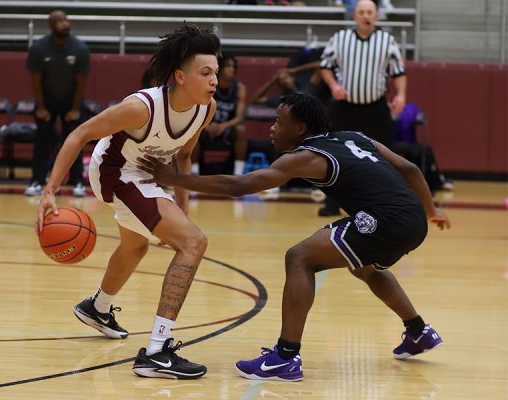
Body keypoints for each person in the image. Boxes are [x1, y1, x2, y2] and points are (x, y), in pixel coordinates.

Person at [138, 93, 450, 381]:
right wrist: (432, 209)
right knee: (364, 267)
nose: (272, 128)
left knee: (299, 257)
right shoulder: (356, 137)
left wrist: (175, 178)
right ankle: (418, 331)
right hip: (413, 218)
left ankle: (285, 357)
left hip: (385, 218)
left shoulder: (305, 157)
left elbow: (239, 186)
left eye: (278, 122)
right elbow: (409, 167)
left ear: (300, 128)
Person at [36, 24, 220, 379]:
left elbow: (182, 161)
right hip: (115, 173)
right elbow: (80, 134)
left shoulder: (205, 108)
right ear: (180, 76)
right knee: (194, 242)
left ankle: (98, 307)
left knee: (135, 247)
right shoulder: (141, 107)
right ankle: (157, 350)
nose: (215, 80)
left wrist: (179, 209)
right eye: (205, 72)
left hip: (149, 177)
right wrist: (50, 190)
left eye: (216, 72)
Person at [318, 0, 406, 216]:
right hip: (344, 108)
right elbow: (325, 66)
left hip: (376, 108)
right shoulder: (340, 38)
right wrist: (333, 85)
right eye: (361, 12)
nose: (366, 16)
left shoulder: (387, 41)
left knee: (384, 156)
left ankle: (387, 202)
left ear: (376, 16)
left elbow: (398, 72)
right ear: (354, 15)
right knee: (335, 154)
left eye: (370, 12)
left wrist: (401, 95)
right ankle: (332, 203)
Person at [24, 10, 89, 197]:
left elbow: (81, 82)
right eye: (59, 21)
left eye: (65, 20)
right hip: (47, 101)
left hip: (71, 102)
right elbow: (36, 80)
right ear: (51, 26)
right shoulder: (38, 48)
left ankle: (77, 182)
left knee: (75, 141)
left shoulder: (80, 49)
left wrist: (76, 109)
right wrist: (42, 107)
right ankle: (37, 181)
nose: (64, 23)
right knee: (42, 141)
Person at [191, 54, 248, 176]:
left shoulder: (239, 88)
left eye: (234, 66)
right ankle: (194, 171)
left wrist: (223, 126)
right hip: (207, 128)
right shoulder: (208, 85)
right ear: (220, 69)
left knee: (241, 130)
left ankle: (238, 173)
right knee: (194, 129)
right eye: (228, 66)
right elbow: (197, 110)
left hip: (227, 129)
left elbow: (239, 118)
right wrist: (207, 125)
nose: (232, 69)